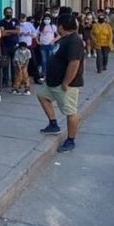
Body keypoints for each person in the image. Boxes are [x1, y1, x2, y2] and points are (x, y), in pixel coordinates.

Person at [36, 14, 85, 153]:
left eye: (58, 25)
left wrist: (66, 82)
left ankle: (71, 140)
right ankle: (53, 124)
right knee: (42, 95)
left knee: (70, 112)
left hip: (66, 84)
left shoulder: (74, 41)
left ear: (62, 27)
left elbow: (74, 63)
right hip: (52, 82)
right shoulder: (64, 39)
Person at [0, 7, 20, 85]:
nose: (9, 14)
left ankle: (14, 81)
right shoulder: (1, 22)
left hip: (14, 45)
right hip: (5, 45)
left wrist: (7, 31)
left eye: (10, 12)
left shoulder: (15, 20)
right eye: (7, 12)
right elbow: (2, 34)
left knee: (14, 64)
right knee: (5, 64)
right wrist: (12, 31)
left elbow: (17, 31)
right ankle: (5, 81)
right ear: (4, 13)